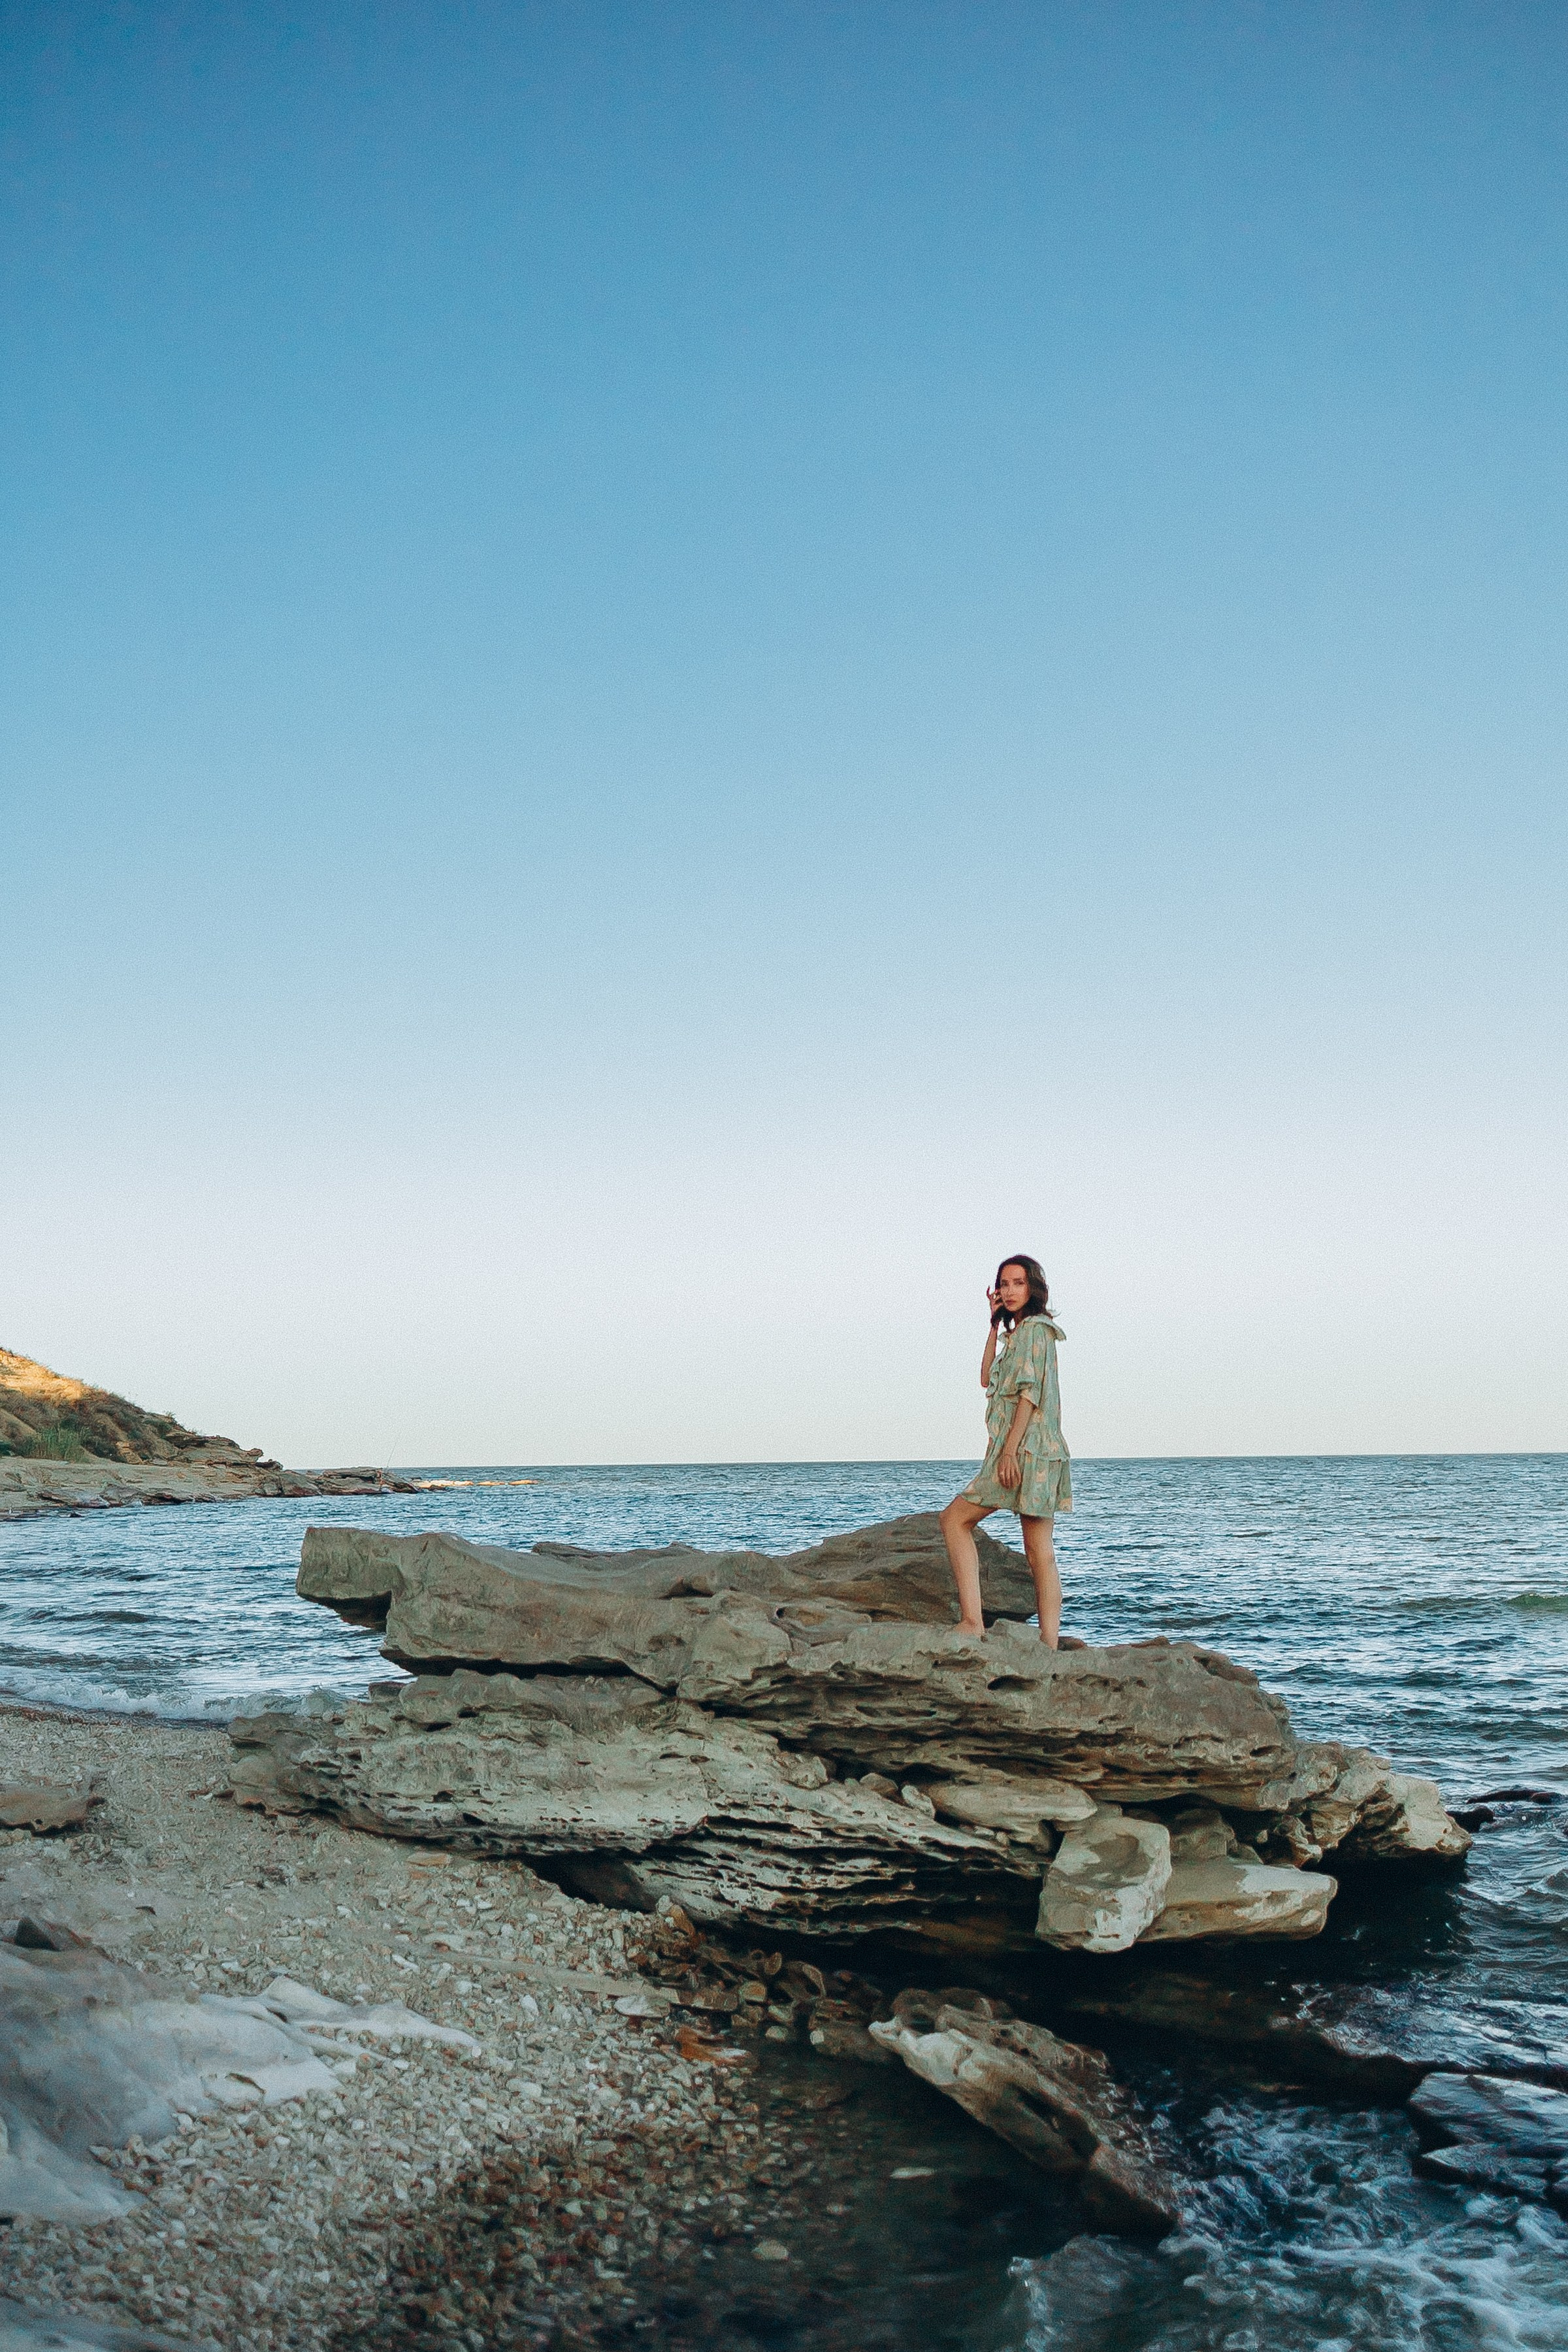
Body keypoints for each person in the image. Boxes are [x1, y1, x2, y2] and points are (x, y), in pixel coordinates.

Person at [939, 1254, 1072, 1644]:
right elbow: (986, 1378)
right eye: (1004, 1284)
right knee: (1038, 1552)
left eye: (1018, 1283)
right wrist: (994, 1325)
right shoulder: (1020, 1334)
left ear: (1032, 1287)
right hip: (1038, 1452)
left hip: (1024, 1451)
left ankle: (972, 1621)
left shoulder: (1036, 1331)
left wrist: (1009, 1453)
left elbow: (1030, 1397)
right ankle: (1048, 1645)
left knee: (955, 1521)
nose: (1009, 1291)